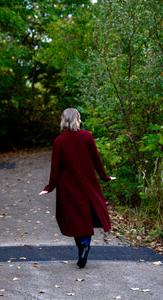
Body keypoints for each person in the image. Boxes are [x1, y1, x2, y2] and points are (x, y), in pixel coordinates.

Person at [39, 108, 116, 268]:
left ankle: (81, 247)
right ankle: (85, 245)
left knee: (75, 220)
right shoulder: (87, 136)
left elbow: (55, 168)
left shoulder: (59, 141)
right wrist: (105, 177)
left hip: (68, 188)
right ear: (77, 120)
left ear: (63, 121)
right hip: (87, 185)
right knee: (86, 218)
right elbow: (97, 161)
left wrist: (50, 187)